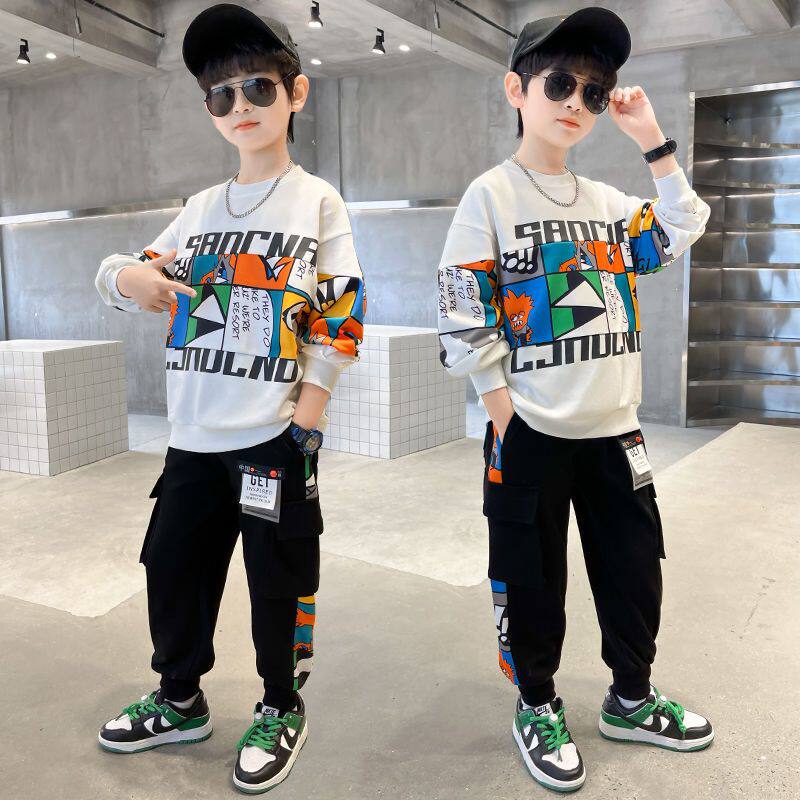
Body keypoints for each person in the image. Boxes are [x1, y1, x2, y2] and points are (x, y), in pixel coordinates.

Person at [437, 7, 713, 793]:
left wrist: (651, 140)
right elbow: (462, 308)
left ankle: (632, 697)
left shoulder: (606, 202)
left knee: (634, 573)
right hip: (528, 431)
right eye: (560, 84)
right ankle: (537, 703)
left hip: (615, 431)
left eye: (594, 92)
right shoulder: (490, 196)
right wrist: (505, 416)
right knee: (530, 582)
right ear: (516, 90)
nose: (576, 103)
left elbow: (682, 224)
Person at [93, 4, 365, 793]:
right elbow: (124, 272)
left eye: (257, 88)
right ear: (209, 110)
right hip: (192, 439)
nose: (240, 106)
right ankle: (180, 698)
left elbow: (341, 319)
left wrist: (303, 425)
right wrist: (129, 277)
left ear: (295, 93)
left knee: (280, 577)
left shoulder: (317, 202)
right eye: (221, 95)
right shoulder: (202, 209)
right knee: (172, 568)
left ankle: (280, 704)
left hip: (271, 438)